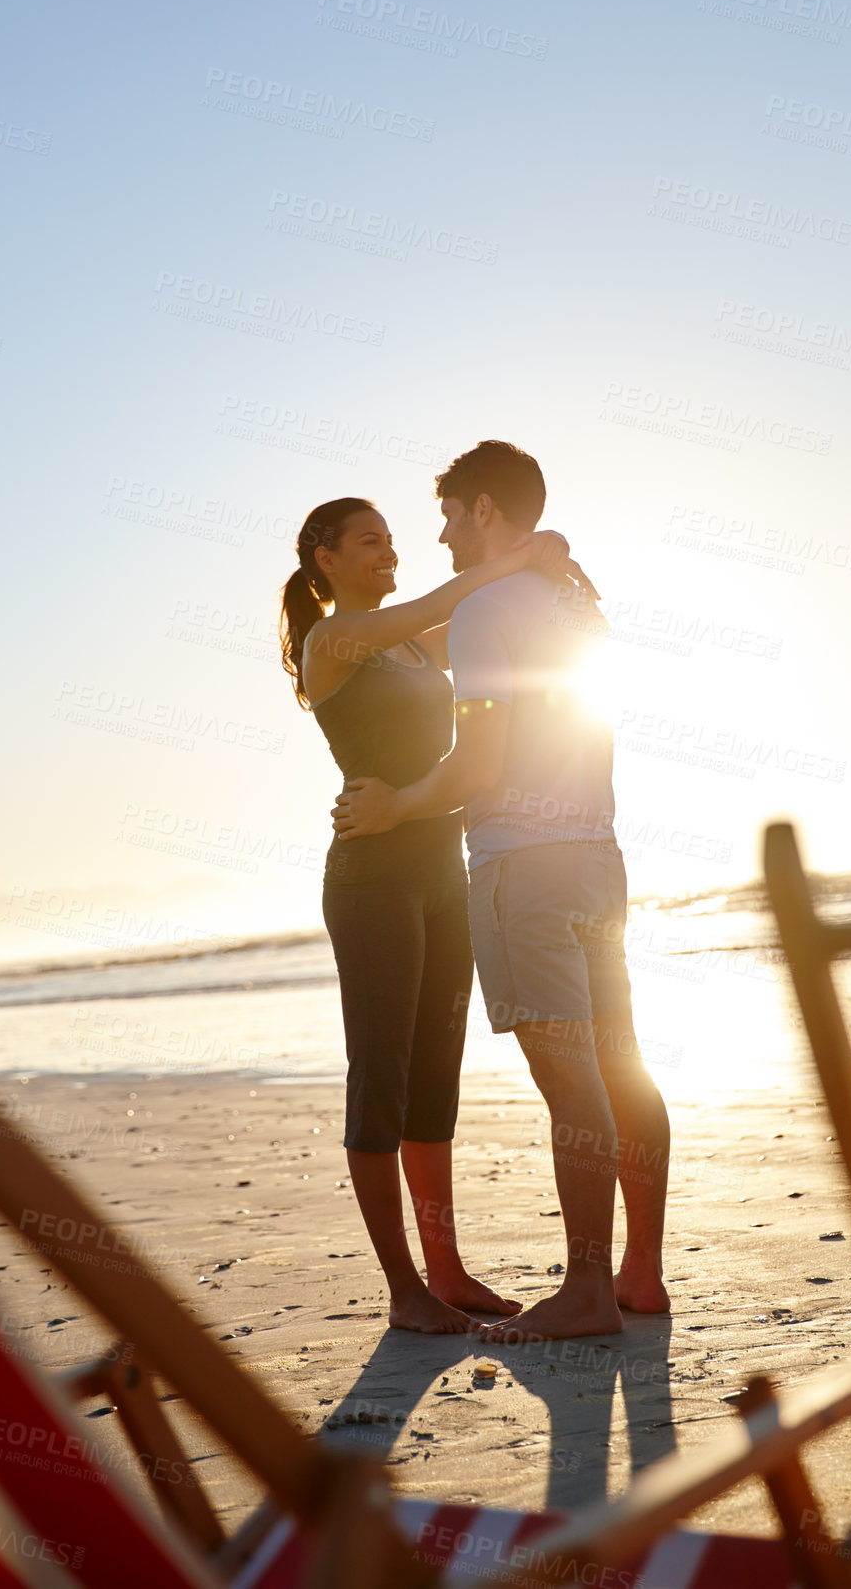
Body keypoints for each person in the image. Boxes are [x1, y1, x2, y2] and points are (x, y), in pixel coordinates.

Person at [333, 444, 671, 1341]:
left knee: (573, 1081)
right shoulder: (575, 601)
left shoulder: (487, 608)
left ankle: (589, 1289)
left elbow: (477, 760)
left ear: (483, 509)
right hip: (598, 855)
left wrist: (401, 800)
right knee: (621, 1060)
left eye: (447, 516)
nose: (438, 536)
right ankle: (642, 1274)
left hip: (523, 867)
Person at [279, 495, 593, 1334]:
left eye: (392, 541)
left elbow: (496, 628)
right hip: (370, 879)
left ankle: (446, 1270)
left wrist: (545, 566)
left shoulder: (416, 646)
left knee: (432, 1084)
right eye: (368, 543)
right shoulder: (333, 642)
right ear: (325, 561)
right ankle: (402, 1287)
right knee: (379, 1081)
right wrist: (518, 557)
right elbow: (446, 602)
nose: (390, 553)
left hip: (440, 874)